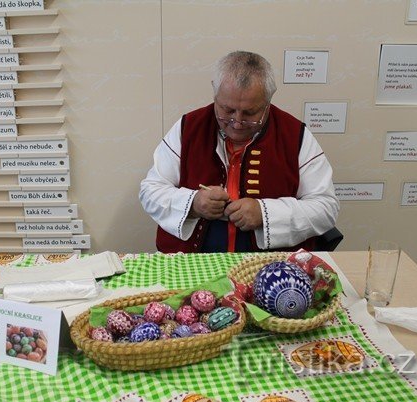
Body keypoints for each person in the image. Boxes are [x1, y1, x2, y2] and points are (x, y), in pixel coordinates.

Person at [139, 51, 339, 253]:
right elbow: (150, 191)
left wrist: (265, 213)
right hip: (191, 263)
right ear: (215, 94)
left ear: (268, 101)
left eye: (250, 113)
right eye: (227, 110)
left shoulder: (294, 134)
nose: (237, 122)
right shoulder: (189, 127)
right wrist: (193, 203)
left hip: (271, 268)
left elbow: (325, 207)